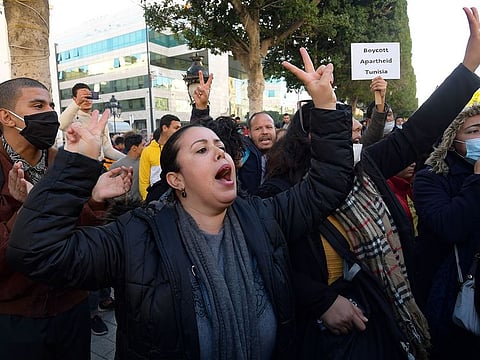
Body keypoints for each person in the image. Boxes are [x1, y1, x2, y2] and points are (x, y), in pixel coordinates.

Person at [6, 48, 354, 359]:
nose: (218, 152)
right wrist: (78, 162)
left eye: (219, 147)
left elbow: (328, 183)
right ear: (176, 180)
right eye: (201, 150)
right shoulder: (136, 237)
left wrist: (325, 105)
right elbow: (37, 251)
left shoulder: (265, 215)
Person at [257, 7, 480, 359]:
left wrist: (467, 68)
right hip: (330, 339)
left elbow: (419, 132)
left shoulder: (364, 166)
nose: (350, 139)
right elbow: (268, 265)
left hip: (388, 317)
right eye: (335, 126)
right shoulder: (281, 194)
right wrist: (322, 300)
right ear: (309, 136)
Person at [0, 78, 131, 359]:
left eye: (50, 105)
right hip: (15, 315)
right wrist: (25, 208)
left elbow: (82, 239)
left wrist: (95, 199)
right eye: (37, 105)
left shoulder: (66, 162)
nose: (49, 114)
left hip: (71, 308)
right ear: (6, 117)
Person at [413, 103, 480, 359]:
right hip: (451, 299)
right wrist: (477, 181)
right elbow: (451, 226)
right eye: (474, 130)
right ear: (453, 140)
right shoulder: (430, 178)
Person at [59, 83, 125, 163]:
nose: (87, 100)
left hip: (97, 165)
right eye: (83, 97)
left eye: (89, 97)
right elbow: (61, 125)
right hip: (77, 166)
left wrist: (129, 159)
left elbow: (107, 149)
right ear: (74, 98)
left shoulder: (99, 120)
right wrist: (77, 104)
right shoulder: (71, 117)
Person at [138, 114, 182, 200]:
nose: (179, 131)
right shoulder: (148, 151)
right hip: (155, 200)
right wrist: (148, 200)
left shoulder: (179, 149)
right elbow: (143, 180)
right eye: (176, 128)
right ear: (165, 128)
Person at [238, 111, 276, 194]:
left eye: (269, 127)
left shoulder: (287, 156)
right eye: (258, 128)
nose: (264, 132)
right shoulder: (242, 155)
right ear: (249, 133)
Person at [111, 133, 144, 202]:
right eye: (142, 145)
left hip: (141, 204)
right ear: (134, 148)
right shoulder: (117, 166)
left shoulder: (144, 162)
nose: (144, 148)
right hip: (123, 206)